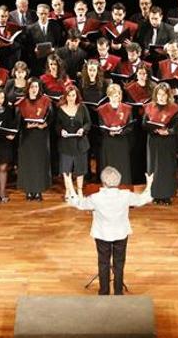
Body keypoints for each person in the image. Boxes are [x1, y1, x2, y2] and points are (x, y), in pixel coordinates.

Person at [63, 167, 154, 296]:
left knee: (103, 263)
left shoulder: (96, 197)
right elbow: (144, 199)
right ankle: (118, 291)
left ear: (103, 182)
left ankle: (104, 292)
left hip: (102, 234)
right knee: (119, 262)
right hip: (121, 233)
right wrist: (149, 183)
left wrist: (70, 184)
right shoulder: (126, 195)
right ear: (118, 181)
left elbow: (77, 203)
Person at [16, 79, 53, 200]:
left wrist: (45, 124)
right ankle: (28, 190)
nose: (34, 89)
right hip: (27, 137)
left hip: (41, 137)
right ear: (28, 88)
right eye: (32, 87)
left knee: (39, 163)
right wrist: (25, 125)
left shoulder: (45, 101)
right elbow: (17, 120)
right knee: (28, 164)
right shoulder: (22, 102)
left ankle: (38, 191)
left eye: (36, 87)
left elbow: (51, 117)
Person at [143, 83, 178, 205]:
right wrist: (154, 129)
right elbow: (144, 124)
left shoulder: (174, 108)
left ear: (168, 95)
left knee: (167, 168)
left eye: (164, 94)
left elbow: (177, 126)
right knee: (154, 167)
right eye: (159, 94)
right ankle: (155, 194)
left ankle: (167, 196)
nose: (161, 97)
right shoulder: (149, 107)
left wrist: (168, 131)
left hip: (167, 142)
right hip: (153, 141)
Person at [57, 85, 92, 199]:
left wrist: (83, 129)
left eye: (73, 95)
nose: (71, 98)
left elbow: (88, 123)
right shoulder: (60, 108)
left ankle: (80, 191)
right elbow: (57, 125)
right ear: (65, 96)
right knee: (66, 169)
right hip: (66, 144)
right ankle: (70, 191)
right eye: (69, 95)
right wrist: (61, 131)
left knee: (80, 169)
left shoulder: (82, 107)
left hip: (80, 143)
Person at [96, 84, 135, 185]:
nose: (115, 98)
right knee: (109, 165)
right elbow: (101, 126)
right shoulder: (102, 109)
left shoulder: (127, 108)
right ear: (108, 96)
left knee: (122, 165)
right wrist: (109, 131)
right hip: (108, 142)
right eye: (113, 96)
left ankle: (124, 186)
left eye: (117, 95)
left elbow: (130, 126)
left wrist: (121, 131)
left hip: (121, 142)